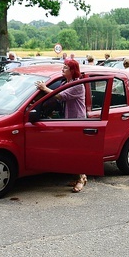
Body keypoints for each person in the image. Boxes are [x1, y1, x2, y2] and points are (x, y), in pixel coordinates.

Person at [35, 59, 88, 193]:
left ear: (72, 71)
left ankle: (82, 178)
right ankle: (78, 177)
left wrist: (44, 88)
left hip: (77, 121)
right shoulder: (67, 82)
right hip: (69, 120)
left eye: (65, 68)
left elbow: (59, 96)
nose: (62, 69)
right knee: (71, 151)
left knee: (77, 152)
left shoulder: (78, 85)